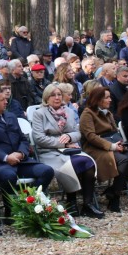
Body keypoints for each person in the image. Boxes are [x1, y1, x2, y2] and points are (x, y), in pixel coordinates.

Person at [31, 84, 103, 218]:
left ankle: (87, 204)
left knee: (88, 162)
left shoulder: (68, 111)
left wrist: (69, 137)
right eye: (53, 95)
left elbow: (77, 132)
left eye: (59, 94)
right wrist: (62, 143)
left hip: (70, 149)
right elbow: (39, 138)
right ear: (46, 97)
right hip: (49, 152)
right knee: (71, 165)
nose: (57, 97)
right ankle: (71, 202)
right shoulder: (39, 113)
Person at [0, 85, 55, 195]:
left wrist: (21, 153)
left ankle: (29, 200)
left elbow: (23, 139)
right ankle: (10, 205)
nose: (6, 102)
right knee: (9, 176)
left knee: (47, 171)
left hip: (20, 162)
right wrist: (6, 157)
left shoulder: (11, 116)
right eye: (2, 100)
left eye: (6, 99)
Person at [78, 85, 128, 213]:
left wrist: (120, 144)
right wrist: (111, 146)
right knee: (123, 160)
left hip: (111, 143)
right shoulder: (87, 114)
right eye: (107, 97)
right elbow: (91, 136)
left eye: (110, 97)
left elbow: (114, 131)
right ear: (98, 99)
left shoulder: (108, 113)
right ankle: (115, 197)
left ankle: (113, 190)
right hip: (94, 148)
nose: (110, 100)